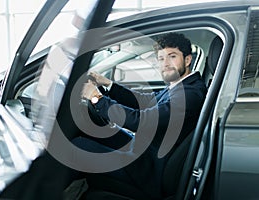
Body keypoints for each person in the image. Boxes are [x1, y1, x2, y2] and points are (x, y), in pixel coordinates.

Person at [79, 32, 207, 199]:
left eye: (172, 56)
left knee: (78, 145)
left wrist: (96, 98)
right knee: (95, 132)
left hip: (148, 169)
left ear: (188, 60)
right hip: (144, 152)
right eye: (161, 58)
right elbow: (145, 101)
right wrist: (107, 83)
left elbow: (142, 121)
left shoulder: (189, 95)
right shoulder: (180, 86)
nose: (165, 64)